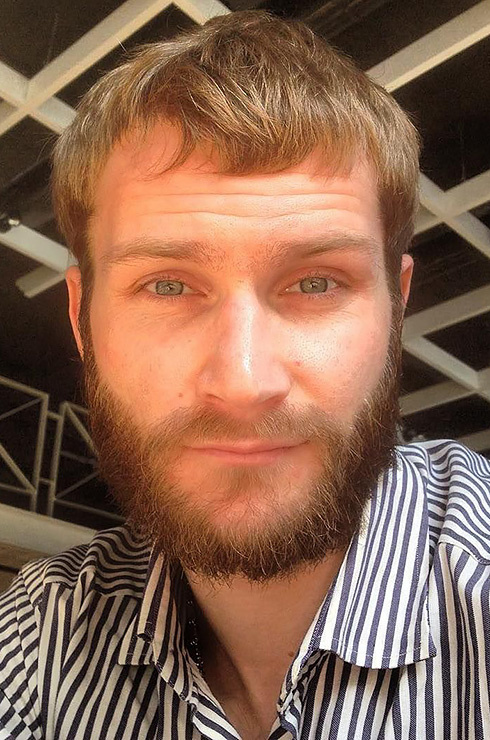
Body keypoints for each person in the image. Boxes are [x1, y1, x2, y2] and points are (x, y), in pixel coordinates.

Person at [0, 9, 489, 740]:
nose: (243, 381)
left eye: (317, 282)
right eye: (167, 285)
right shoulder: (41, 629)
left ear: (398, 306)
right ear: (80, 318)